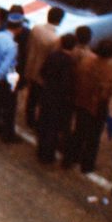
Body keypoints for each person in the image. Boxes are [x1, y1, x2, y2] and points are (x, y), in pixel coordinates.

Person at [63, 42, 112, 173]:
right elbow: (106, 93)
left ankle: (70, 158)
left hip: (81, 101)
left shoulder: (85, 62)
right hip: (96, 107)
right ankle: (87, 165)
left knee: (79, 132)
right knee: (93, 138)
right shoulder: (108, 71)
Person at [0, 11, 27, 143]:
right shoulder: (13, 46)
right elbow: (6, 65)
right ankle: (8, 134)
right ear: (18, 28)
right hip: (7, 75)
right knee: (10, 105)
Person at [36, 33, 77, 165]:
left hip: (47, 92)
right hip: (58, 99)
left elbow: (42, 71)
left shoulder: (53, 56)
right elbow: (66, 84)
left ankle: (40, 149)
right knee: (53, 127)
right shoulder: (69, 62)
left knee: (43, 122)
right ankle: (47, 155)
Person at [24, 6, 63, 131]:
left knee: (31, 97)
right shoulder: (56, 39)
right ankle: (36, 121)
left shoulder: (36, 28)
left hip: (31, 65)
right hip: (42, 72)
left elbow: (29, 46)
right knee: (40, 98)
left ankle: (29, 118)